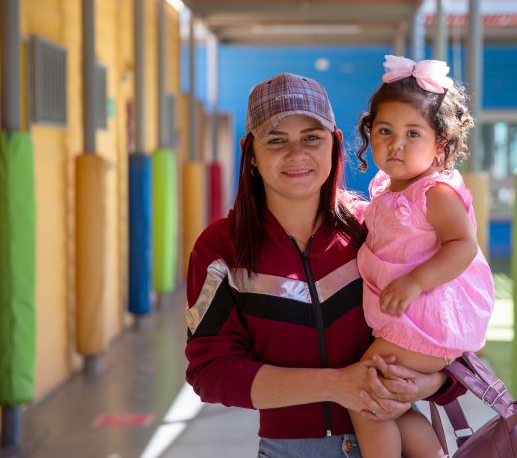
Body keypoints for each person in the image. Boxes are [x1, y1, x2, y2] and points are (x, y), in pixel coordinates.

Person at [184, 72, 464, 457]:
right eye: (276, 140)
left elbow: (446, 325)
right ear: (250, 152)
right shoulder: (220, 249)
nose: (296, 154)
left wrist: (430, 385)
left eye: (312, 138)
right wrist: (336, 384)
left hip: (394, 438)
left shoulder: (377, 229)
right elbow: (210, 371)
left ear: (334, 145)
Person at [350, 55, 496, 458]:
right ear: (369, 133)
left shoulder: (435, 192)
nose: (396, 143)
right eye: (385, 130)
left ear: (440, 144)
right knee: (392, 408)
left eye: (413, 133)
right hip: (408, 324)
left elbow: (462, 245)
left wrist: (416, 281)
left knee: (365, 396)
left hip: (426, 325)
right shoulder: (387, 189)